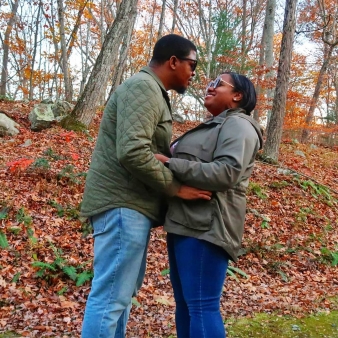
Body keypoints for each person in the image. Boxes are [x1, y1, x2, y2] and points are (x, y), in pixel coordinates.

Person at [80, 34, 213, 338]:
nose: (193, 73)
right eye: (191, 65)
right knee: (111, 297)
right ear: (173, 61)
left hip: (130, 207)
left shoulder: (151, 91)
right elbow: (133, 151)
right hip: (122, 205)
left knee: (120, 297)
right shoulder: (142, 88)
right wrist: (176, 188)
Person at [155, 72, 263, 338]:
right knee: (186, 306)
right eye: (209, 83)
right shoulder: (214, 125)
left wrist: (170, 163)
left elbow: (227, 172)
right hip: (185, 223)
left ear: (237, 95)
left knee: (202, 307)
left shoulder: (239, 125)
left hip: (208, 226)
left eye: (218, 84)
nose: (209, 87)